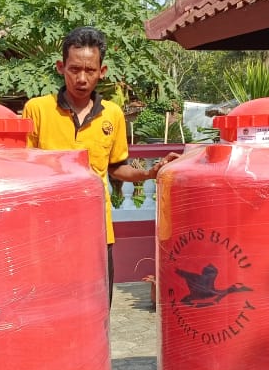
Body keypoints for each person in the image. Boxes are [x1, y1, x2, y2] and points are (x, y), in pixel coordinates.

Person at [22, 26, 177, 303]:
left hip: (97, 229)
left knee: (96, 306)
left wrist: (149, 173)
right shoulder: (37, 110)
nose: (82, 78)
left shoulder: (113, 115)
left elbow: (116, 167)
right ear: (61, 67)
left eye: (90, 71)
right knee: (51, 305)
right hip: (48, 230)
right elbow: (22, 168)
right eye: (74, 69)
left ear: (101, 71)